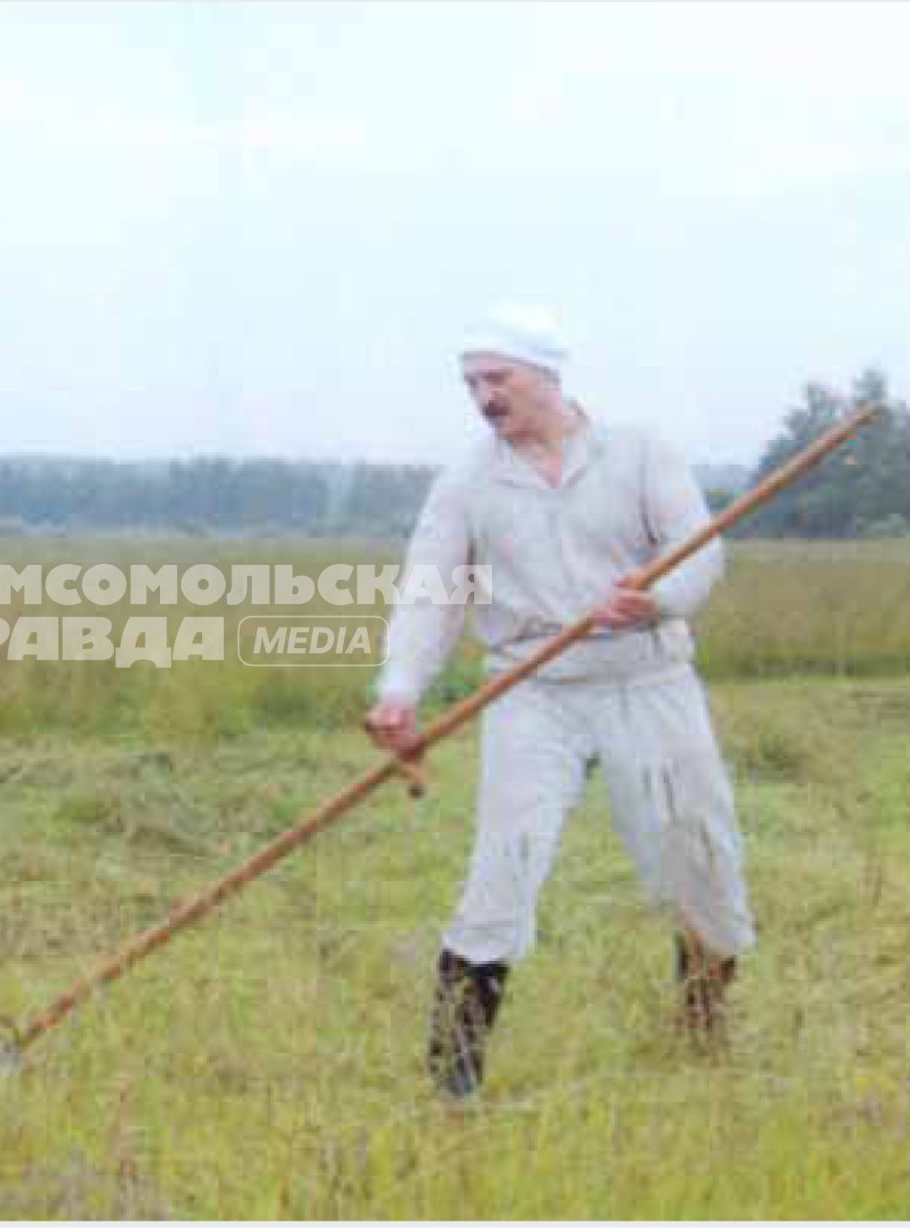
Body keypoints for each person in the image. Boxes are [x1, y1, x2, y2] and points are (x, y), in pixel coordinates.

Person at [365, 306, 755, 1101]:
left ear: (547, 374)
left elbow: (700, 549)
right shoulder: (467, 483)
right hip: (532, 691)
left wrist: (657, 601)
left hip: (649, 680)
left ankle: (701, 1028)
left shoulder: (640, 453)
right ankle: (452, 1086)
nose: (482, 396)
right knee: (500, 871)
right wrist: (399, 693)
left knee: (701, 862)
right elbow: (431, 593)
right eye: (471, 382)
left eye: (497, 378)